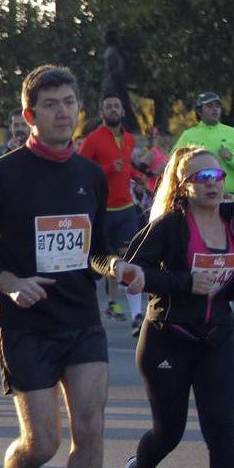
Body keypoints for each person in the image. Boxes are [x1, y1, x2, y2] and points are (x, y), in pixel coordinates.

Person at [0, 64, 146, 468]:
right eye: (51, 105)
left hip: (80, 319)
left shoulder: (89, 174)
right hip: (25, 325)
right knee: (42, 442)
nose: (63, 111)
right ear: (30, 115)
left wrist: (119, 267)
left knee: (91, 430)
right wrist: (8, 282)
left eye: (69, 102)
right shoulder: (2, 174)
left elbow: (100, 250)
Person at [119, 146, 234, 468]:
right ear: (184, 186)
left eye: (216, 176)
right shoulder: (168, 227)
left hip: (216, 339)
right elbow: (133, 271)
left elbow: (233, 282)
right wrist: (183, 283)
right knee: (170, 432)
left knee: (222, 429)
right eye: (202, 178)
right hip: (168, 339)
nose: (212, 184)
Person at [79, 95, 147, 330]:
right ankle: (97, 307)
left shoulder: (128, 138)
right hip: (101, 211)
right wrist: (107, 168)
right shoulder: (93, 139)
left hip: (126, 209)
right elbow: (80, 170)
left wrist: (137, 179)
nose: (113, 109)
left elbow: (126, 168)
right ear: (101, 112)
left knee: (129, 260)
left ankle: (137, 316)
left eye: (116, 106)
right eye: (108, 106)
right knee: (99, 263)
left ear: (122, 111)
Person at [174, 93, 234, 199]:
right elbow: (174, 164)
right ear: (199, 111)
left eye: (217, 106)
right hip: (198, 200)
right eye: (209, 106)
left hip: (228, 199)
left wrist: (232, 158)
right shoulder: (188, 136)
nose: (215, 109)